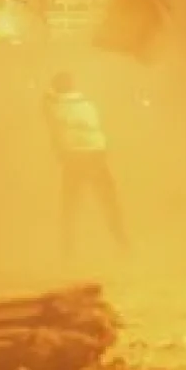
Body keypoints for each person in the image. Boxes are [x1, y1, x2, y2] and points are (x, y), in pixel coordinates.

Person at [42, 72, 125, 259]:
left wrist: (48, 95)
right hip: (97, 154)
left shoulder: (56, 106)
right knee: (109, 203)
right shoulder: (86, 103)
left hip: (75, 157)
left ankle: (67, 253)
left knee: (70, 207)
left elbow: (48, 107)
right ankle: (123, 245)